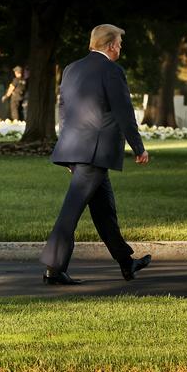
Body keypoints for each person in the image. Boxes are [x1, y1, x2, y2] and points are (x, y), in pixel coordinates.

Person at [39, 24, 151, 285]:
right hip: (95, 152)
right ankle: (53, 270)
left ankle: (127, 263)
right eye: (120, 44)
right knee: (71, 210)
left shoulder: (71, 69)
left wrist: (67, 154)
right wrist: (139, 147)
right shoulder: (112, 71)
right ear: (111, 45)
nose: (121, 48)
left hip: (77, 150)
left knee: (104, 212)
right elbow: (124, 113)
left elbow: (64, 112)